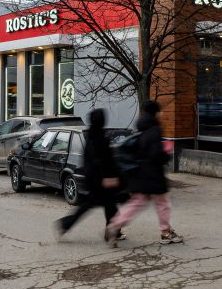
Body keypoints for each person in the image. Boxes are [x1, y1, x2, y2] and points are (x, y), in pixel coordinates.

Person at [105, 100, 184, 245]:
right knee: (163, 204)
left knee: (136, 204)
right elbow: (155, 154)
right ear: (155, 113)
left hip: (139, 174)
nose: (161, 114)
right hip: (153, 175)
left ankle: (114, 225)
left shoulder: (141, 128)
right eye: (159, 111)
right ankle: (166, 233)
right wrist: (165, 153)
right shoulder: (154, 129)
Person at [57, 109, 122, 239]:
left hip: (92, 178)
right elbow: (105, 160)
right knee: (109, 205)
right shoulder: (101, 138)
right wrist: (109, 176)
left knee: (94, 204)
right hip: (101, 178)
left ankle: (66, 224)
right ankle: (113, 231)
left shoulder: (91, 135)